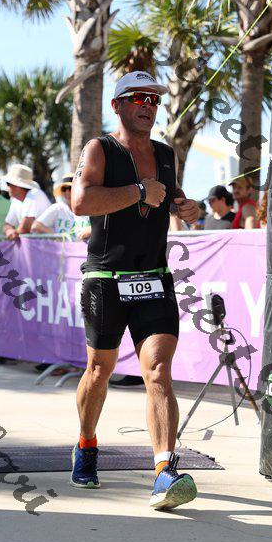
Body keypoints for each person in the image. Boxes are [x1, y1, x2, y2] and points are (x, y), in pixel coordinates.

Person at [70, 70, 199, 510]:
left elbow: (170, 196)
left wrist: (187, 206)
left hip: (154, 278)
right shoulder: (100, 148)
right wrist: (139, 191)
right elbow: (81, 202)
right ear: (118, 105)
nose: (148, 105)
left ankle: (164, 471)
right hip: (106, 278)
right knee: (98, 371)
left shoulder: (165, 153)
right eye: (138, 98)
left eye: (154, 99)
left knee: (158, 370)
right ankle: (86, 443)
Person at [31, 174, 91, 241]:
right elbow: (36, 226)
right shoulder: (58, 208)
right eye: (64, 189)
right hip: (63, 247)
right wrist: (56, 236)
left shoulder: (90, 208)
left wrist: (90, 230)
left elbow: (100, 227)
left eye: (70, 188)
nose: (67, 192)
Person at [2, 164, 50, 240]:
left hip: (46, 245)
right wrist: (9, 230)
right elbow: (7, 225)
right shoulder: (16, 201)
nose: (6, 187)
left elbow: (25, 228)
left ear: (16, 185)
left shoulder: (34, 194)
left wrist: (13, 234)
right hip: (38, 245)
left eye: (8, 183)